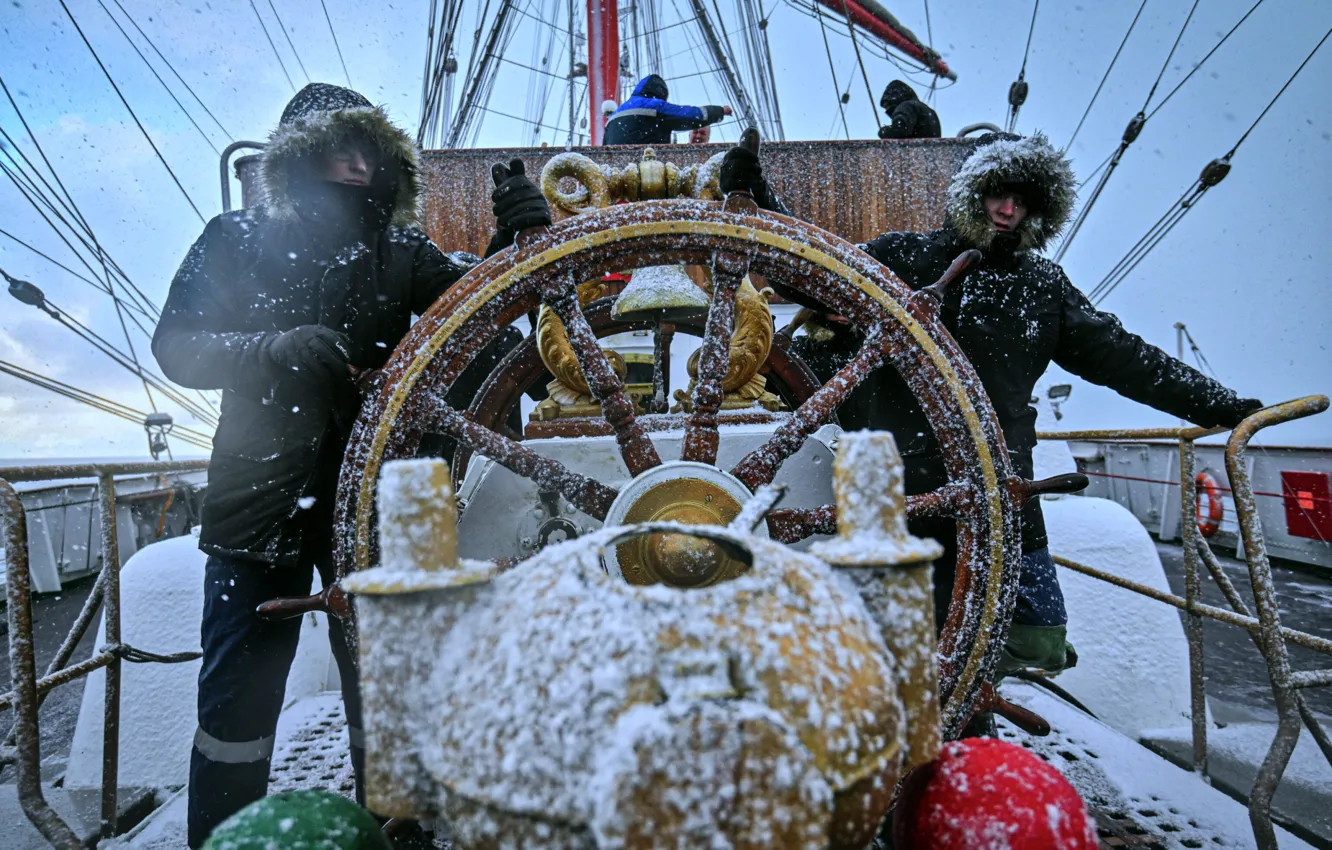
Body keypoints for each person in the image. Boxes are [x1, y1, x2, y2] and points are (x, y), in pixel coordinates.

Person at [152, 82, 551, 848]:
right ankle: (225, 837)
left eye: (370, 146)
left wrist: (515, 246)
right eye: (340, 145)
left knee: (383, 692)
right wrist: (269, 351)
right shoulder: (235, 238)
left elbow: (470, 313)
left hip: (373, 501)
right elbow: (178, 347)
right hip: (257, 505)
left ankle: (390, 832)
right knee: (237, 703)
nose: (358, 161)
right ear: (298, 157)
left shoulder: (401, 250)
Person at [718, 132, 1262, 676]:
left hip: (1001, 492)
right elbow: (817, 274)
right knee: (914, 645)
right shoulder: (904, 256)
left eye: (1022, 201)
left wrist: (1223, 406)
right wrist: (758, 195)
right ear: (971, 193)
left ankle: (966, 697)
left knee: (1038, 641)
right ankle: (946, 724)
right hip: (902, 492)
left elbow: (1124, 357)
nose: (1008, 209)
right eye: (998, 193)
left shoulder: (1042, 285)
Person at [604, 74, 731, 145]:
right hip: (645, 171)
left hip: (616, 174)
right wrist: (719, 111)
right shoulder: (656, 106)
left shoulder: (615, 115)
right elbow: (690, 115)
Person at [877, 79, 941, 140]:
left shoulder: (905, 107)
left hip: (915, 149)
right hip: (932, 149)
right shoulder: (929, 111)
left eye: (887, 105)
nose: (887, 110)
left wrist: (883, 132)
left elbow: (899, 130)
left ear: (893, 100)